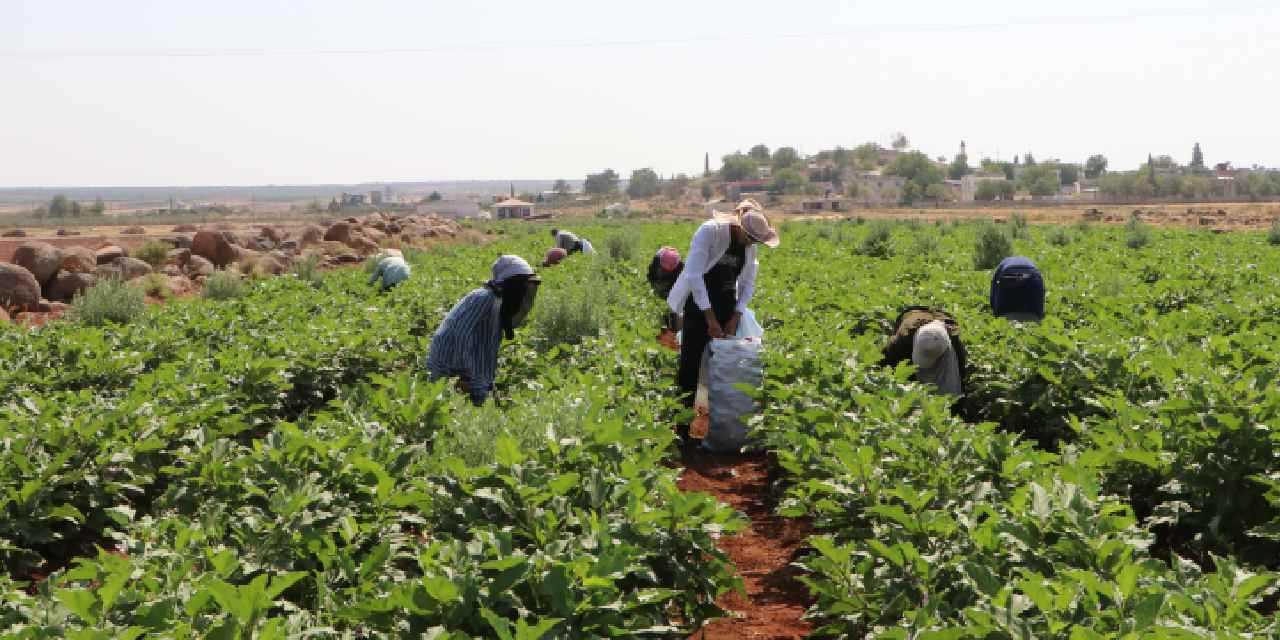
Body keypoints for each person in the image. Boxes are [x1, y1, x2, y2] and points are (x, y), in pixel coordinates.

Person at [667, 200, 779, 405]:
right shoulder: (711, 232)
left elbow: (747, 283)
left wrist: (736, 315)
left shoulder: (749, 248)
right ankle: (682, 424)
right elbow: (694, 275)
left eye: (757, 240)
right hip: (699, 304)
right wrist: (709, 317)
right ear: (739, 226)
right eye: (750, 237)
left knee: (725, 365)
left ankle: (716, 419)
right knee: (690, 365)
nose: (752, 243)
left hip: (727, 303)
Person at [426, 255, 540, 406]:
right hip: (449, 364)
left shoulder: (499, 303)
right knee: (453, 405)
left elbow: (487, 346)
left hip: (468, 363)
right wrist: (466, 375)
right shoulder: (484, 298)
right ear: (513, 284)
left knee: (481, 401)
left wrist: (488, 384)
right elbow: (461, 335)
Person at [880, 307, 967, 396]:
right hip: (913, 313)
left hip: (941, 316)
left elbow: (960, 376)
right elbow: (884, 363)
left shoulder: (955, 343)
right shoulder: (901, 340)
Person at [990, 256, 1045, 322]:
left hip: (1008, 273)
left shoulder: (1002, 264)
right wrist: (1039, 315)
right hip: (1032, 276)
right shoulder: (1032, 265)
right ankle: (1033, 317)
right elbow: (1040, 291)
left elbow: (994, 290)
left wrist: (996, 313)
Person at [647, 246, 684, 331]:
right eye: (663, 269)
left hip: (673, 285)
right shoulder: (655, 262)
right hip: (658, 284)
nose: (665, 272)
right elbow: (651, 279)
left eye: (668, 271)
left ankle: (676, 329)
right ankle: (662, 327)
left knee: (675, 306)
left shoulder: (680, 267)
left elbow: (679, 286)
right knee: (659, 304)